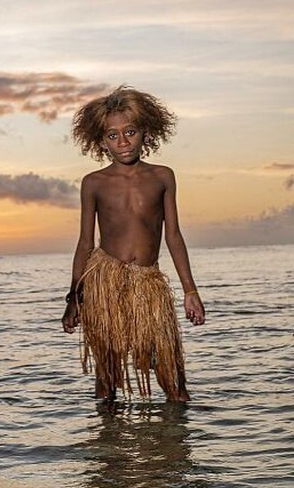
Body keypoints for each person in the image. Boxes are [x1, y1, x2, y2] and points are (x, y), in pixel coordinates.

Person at [61, 85, 205, 403]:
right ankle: (109, 448)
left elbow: (174, 235)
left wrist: (190, 291)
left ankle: (174, 448)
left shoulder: (162, 177)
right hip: (104, 283)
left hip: (148, 284)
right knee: (107, 380)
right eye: (113, 135)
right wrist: (74, 299)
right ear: (101, 141)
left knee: (174, 383)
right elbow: (85, 242)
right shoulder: (94, 183)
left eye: (130, 132)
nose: (122, 142)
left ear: (145, 133)